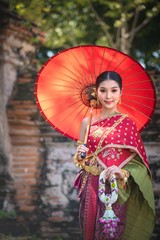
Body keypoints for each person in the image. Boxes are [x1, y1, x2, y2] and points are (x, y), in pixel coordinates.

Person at [73, 71, 156, 240]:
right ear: (96, 92)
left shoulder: (127, 123)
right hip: (90, 185)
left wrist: (122, 172)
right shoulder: (86, 123)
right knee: (89, 231)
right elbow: (81, 160)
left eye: (114, 90)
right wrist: (80, 155)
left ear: (121, 92)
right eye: (103, 90)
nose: (108, 96)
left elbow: (139, 163)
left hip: (114, 186)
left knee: (111, 232)